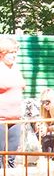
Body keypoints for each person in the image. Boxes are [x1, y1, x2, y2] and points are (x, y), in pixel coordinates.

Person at [0, 35, 25, 168]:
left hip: (15, 118)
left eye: (15, 52)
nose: (14, 56)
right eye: (11, 53)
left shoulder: (15, 69)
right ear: (2, 53)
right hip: (1, 119)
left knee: (11, 156)